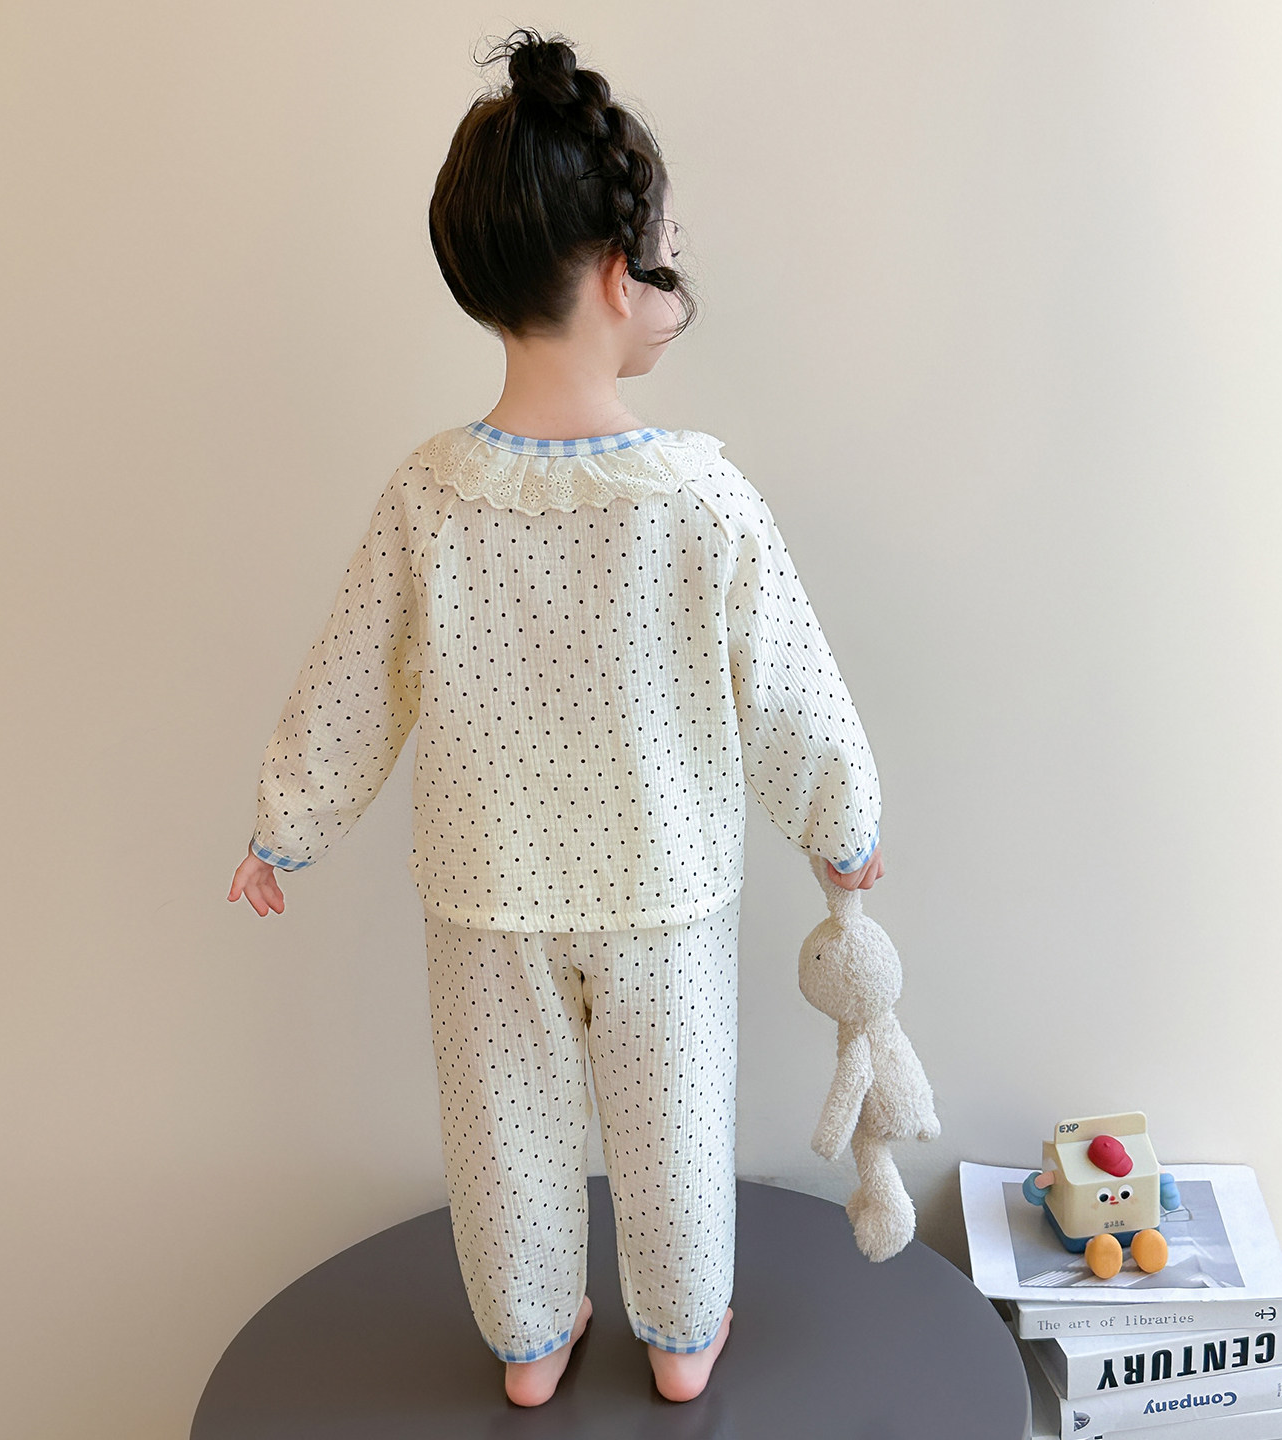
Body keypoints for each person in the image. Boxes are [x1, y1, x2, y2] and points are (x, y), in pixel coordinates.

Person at [227, 26, 884, 1408]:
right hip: (664, 889)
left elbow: (353, 679)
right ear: (616, 275)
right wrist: (844, 832)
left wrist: (285, 827)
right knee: (675, 1124)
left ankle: (530, 1344)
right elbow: (789, 687)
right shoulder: (700, 497)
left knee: (504, 1136)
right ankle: (683, 1339)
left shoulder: (430, 494)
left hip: (487, 892)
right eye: (667, 252)